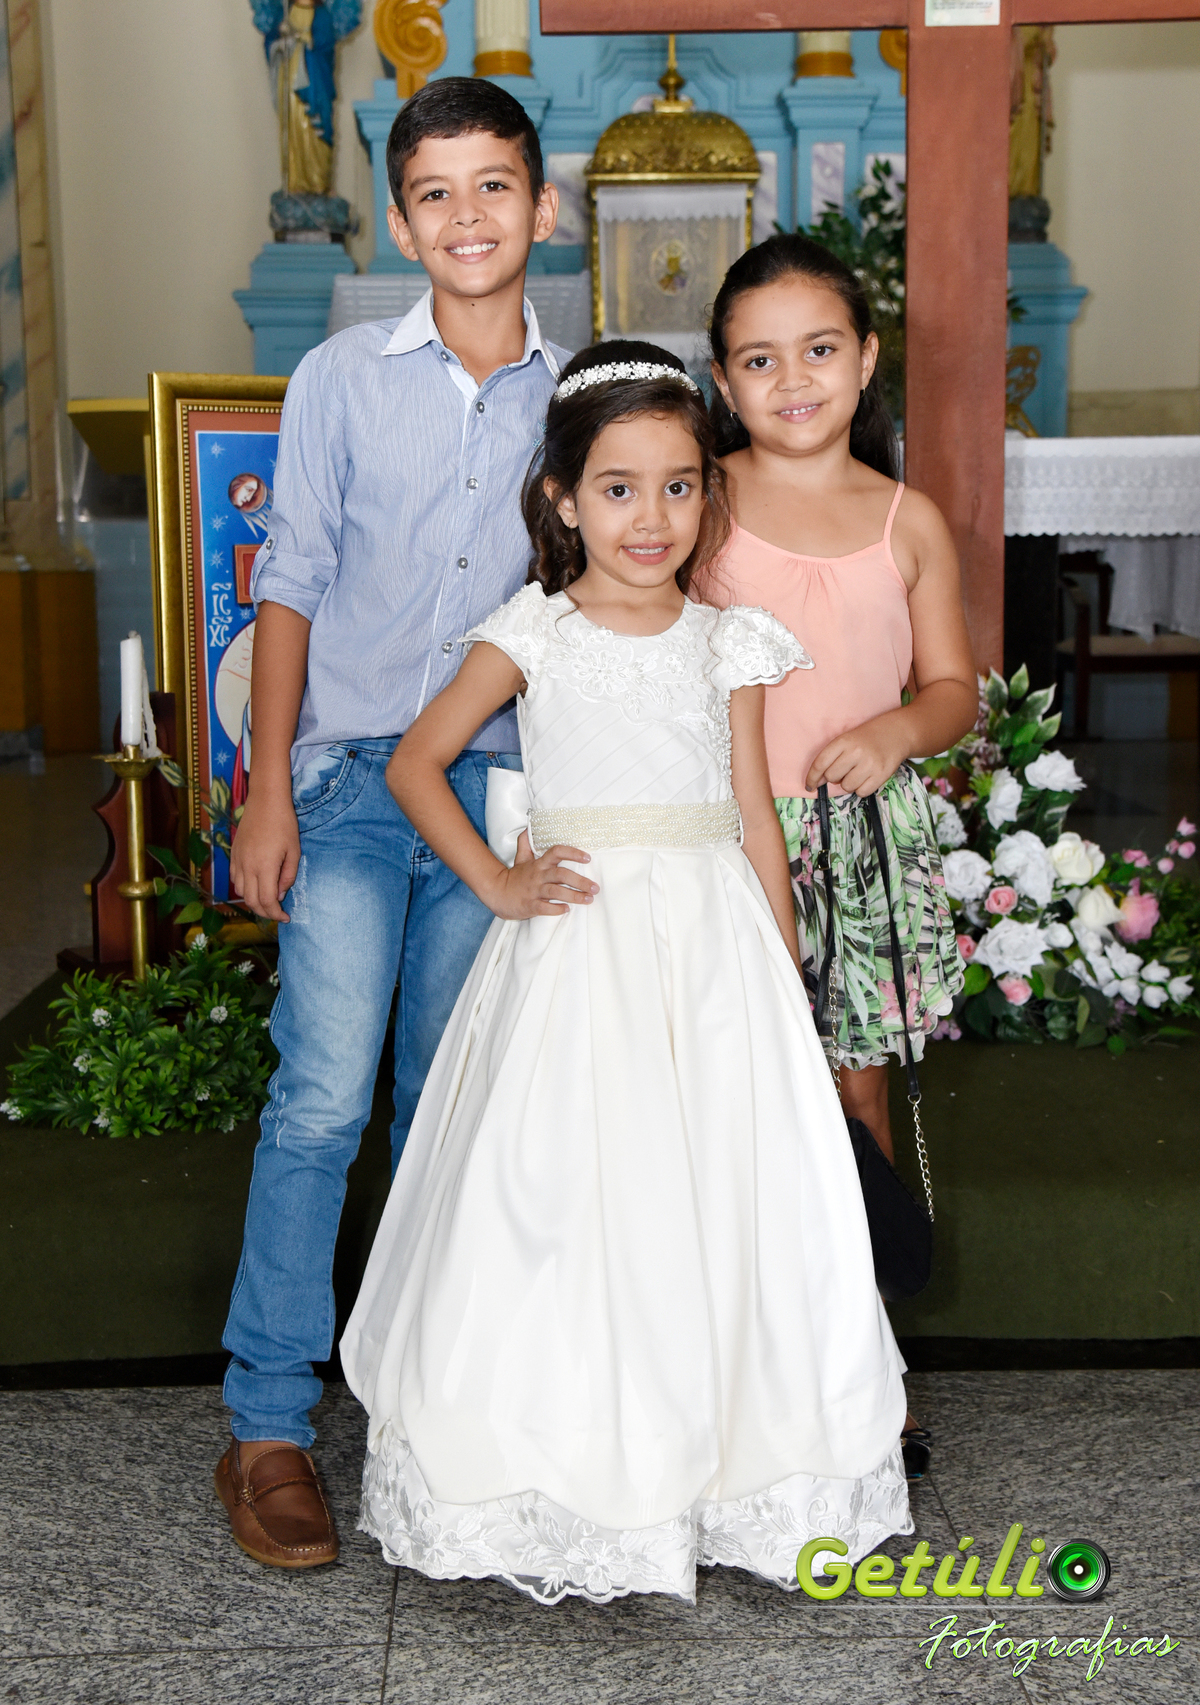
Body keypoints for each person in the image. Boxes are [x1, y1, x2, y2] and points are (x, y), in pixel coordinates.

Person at [340, 341, 913, 1606]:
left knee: (724, 1195)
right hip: (582, 947)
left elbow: (754, 817)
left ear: (709, 493)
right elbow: (415, 764)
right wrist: (499, 886)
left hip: (713, 949)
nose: (649, 517)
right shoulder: (533, 632)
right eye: (616, 488)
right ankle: (560, 1473)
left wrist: (784, 969)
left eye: (677, 486)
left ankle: (735, 1469)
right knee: (564, 1190)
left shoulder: (728, 641)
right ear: (561, 498)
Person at [213, 77, 566, 1570]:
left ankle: (429, 1405)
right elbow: (289, 582)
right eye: (436, 192)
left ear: (544, 206)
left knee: (445, 1103)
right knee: (322, 1094)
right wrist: (266, 788)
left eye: (495, 186)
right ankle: (268, 1423)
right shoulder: (341, 377)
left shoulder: (586, 393)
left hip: (495, 789)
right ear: (402, 222)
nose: (468, 215)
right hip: (351, 781)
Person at [704, 233, 979, 1479]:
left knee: (851, 1096)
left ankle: (867, 1364)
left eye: (819, 349)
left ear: (866, 359)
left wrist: (894, 731)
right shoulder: (700, 502)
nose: (793, 379)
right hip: (725, 843)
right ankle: (745, 1362)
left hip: (855, 849)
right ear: (722, 380)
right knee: (737, 1098)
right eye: (759, 360)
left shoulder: (905, 521)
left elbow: (953, 688)